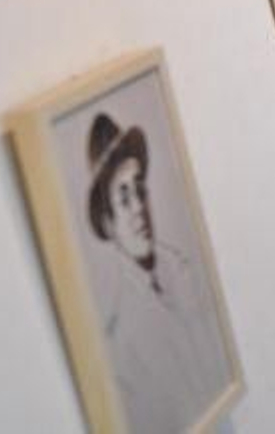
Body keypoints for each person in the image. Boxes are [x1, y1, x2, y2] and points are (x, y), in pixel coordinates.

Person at [85, 113, 229, 430]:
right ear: (108, 222)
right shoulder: (121, 342)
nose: (138, 205)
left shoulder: (184, 270)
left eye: (139, 190)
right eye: (123, 198)